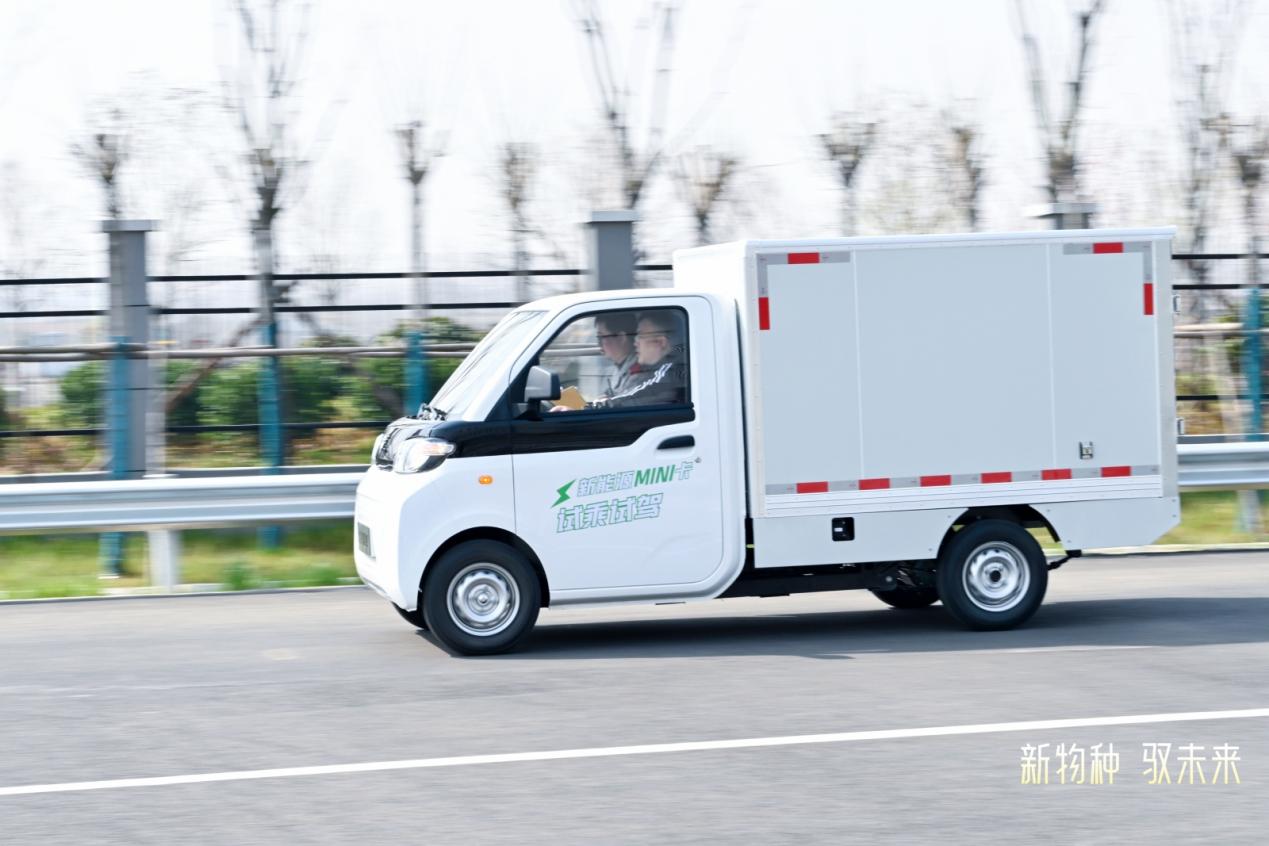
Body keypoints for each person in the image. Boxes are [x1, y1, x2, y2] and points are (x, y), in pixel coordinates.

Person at [564, 310, 687, 410]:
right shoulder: (658, 369)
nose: (635, 341)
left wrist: (583, 409)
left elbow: (631, 398)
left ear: (661, 342)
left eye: (641, 335)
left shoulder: (668, 373)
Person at [594, 311, 638, 397]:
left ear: (621, 338)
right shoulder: (620, 367)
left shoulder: (638, 371)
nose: (599, 343)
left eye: (602, 336)